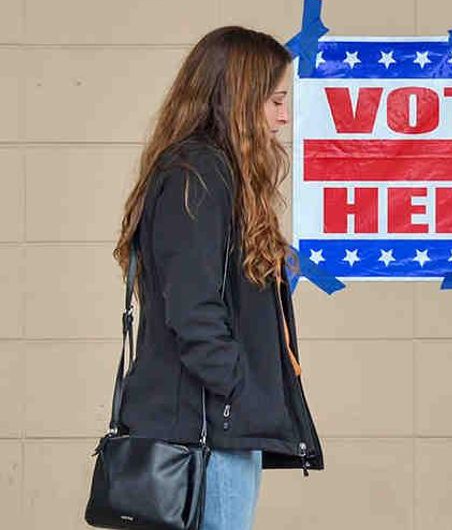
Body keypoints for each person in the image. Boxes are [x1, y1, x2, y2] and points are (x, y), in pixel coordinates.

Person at [112, 26, 323, 530]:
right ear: (239, 97)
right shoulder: (198, 175)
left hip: (214, 426)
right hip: (206, 434)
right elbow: (193, 309)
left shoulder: (209, 173)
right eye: (274, 100)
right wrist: (239, 393)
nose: (284, 115)